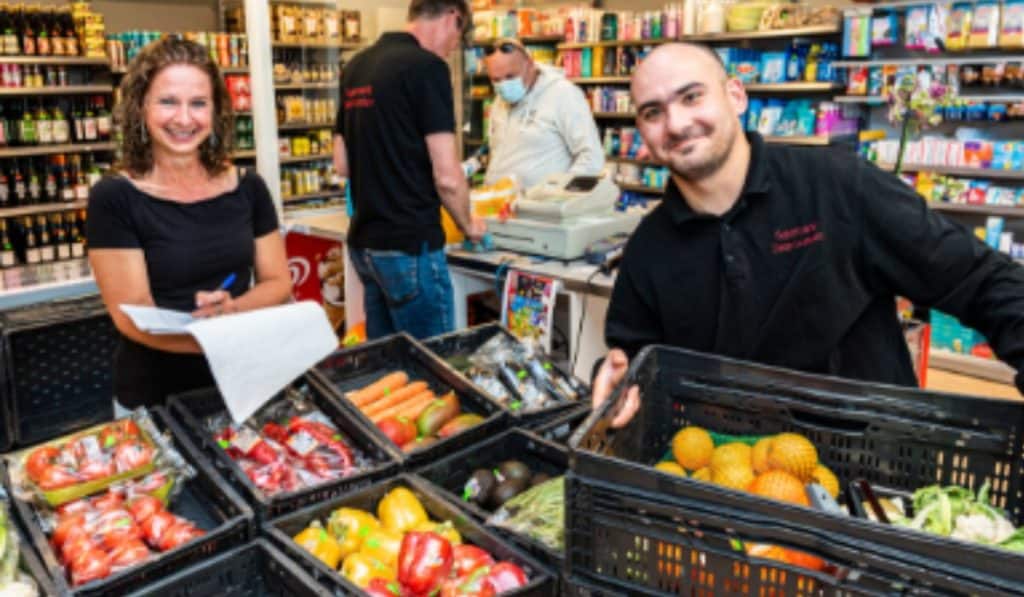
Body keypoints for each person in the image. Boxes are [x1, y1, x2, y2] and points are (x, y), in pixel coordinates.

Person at [593, 43, 1024, 427]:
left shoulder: (838, 185)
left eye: (691, 96)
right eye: (653, 112)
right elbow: (631, 356)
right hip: (728, 469)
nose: (676, 123)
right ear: (642, 131)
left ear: (736, 95)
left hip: (874, 460)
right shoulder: (648, 248)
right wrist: (616, 380)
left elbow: (979, 279)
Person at [87, 37, 292, 410]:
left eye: (198, 103)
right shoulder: (114, 197)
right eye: (168, 102)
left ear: (216, 111)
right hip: (157, 395)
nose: (184, 119)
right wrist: (214, 337)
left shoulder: (248, 187)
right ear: (140, 107)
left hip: (244, 382)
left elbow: (277, 281)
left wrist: (232, 310)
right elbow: (132, 317)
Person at [333, 0, 485, 341]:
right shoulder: (427, 68)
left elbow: (342, 163)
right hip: (410, 247)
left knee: (389, 362)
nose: (454, 48)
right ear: (453, 17)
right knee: (434, 361)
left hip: (365, 246)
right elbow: (447, 177)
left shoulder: (356, 65)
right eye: (459, 37)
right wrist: (469, 225)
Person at [482, 37, 604, 190]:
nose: (503, 85)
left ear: (530, 64)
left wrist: (559, 194)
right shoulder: (499, 101)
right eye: (496, 80)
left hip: (542, 203)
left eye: (510, 77)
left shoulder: (562, 94)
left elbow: (591, 157)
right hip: (500, 201)